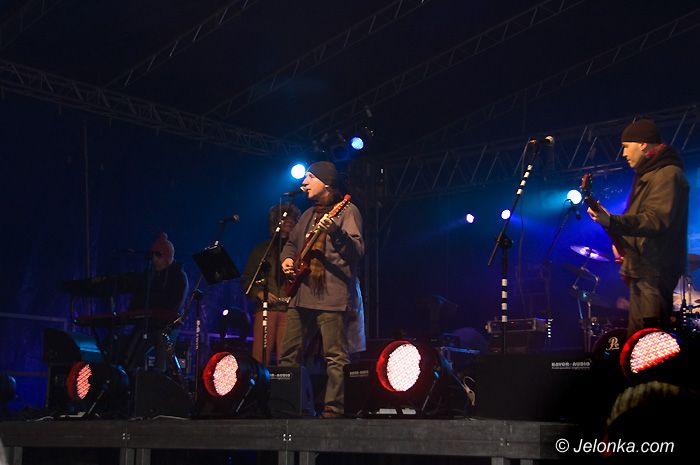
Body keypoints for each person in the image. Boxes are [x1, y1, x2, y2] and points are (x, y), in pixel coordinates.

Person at [587, 119, 689, 337]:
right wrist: (620, 239)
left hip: (655, 269)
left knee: (650, 340)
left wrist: (613, 221)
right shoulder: (648, 175)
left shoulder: (667, 174)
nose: (624, 153)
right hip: (643, 269)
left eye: (626, 146)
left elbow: (655, 220)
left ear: (642, 144)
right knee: (639, 340)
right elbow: (641, 223)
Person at [280, 160, 366, 418]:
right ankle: (287, 405)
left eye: (309, 177)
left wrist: (336, 233)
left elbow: (356, 251)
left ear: (326, 183)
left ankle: (334, 410)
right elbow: (291, 245)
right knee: (288, 354)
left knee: (335, 356)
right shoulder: (307, 214)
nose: (303, 182)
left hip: (332, 296)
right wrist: (287, 259)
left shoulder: (348, 211)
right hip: (302, 294)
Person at [240, 203, 301, 365]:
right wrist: (259, 293)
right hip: (266, 309)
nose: (288, 223)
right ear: (275, 222)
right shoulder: (262, 251)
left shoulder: (299, 251)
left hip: (290, 310)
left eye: (292, 220)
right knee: (260, 357)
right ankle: (260, 381)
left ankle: (286, 382)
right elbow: (247, 280)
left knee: (286, 358)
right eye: (285, 219)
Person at [121, 232, 189, 375]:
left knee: (161, 364)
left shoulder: (179, 276)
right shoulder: (150, 274)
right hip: (148, 323)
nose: (155, 260)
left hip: (167, 326)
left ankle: (160, 381)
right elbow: (139, 297)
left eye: (158, 257)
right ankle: (131, 379)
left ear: (167, 257)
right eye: (153, 257)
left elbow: (174, 306)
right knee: (129, 357)